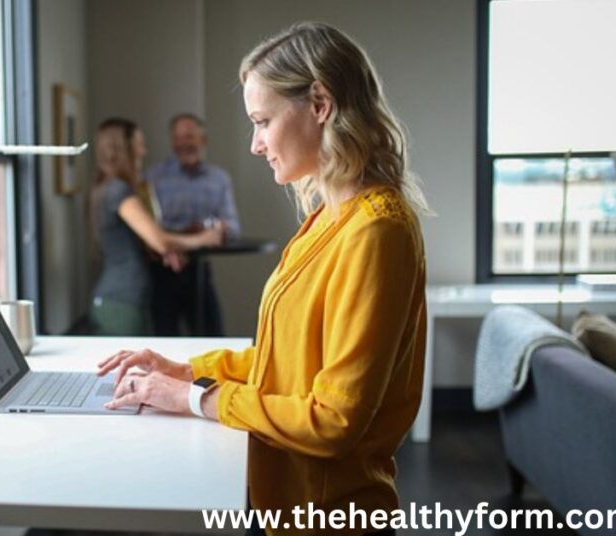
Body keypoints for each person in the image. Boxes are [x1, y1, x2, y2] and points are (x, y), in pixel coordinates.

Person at [97, 22, 429, 536]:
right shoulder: (329, 216)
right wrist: (185, 370)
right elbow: (291, 363)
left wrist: (194, 399)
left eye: (262, 121)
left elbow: (333, 420)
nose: (255, 144)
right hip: (282, 505)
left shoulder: (376, 230)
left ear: (320, 104)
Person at [89, 117, 224, 336]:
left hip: (122, 300)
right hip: (122, 301)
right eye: (139, 144)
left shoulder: (110, 188)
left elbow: (147, 241)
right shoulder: (119, 192)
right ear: (125, 148)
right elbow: (159, 239)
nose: (144, 150)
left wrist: (165, 251)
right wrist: (204, 239)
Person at [145, 114, 242, 336]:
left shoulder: (219, 179)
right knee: (165, 343)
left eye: (189, 136)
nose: (183, 143)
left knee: (213, 338)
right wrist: (194, 234)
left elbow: (234, 228)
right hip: (162, 272)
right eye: (178, 138)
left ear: (203, 140)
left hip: (199, 272)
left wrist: (216, 231)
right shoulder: (153, 177)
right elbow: (149, 231)